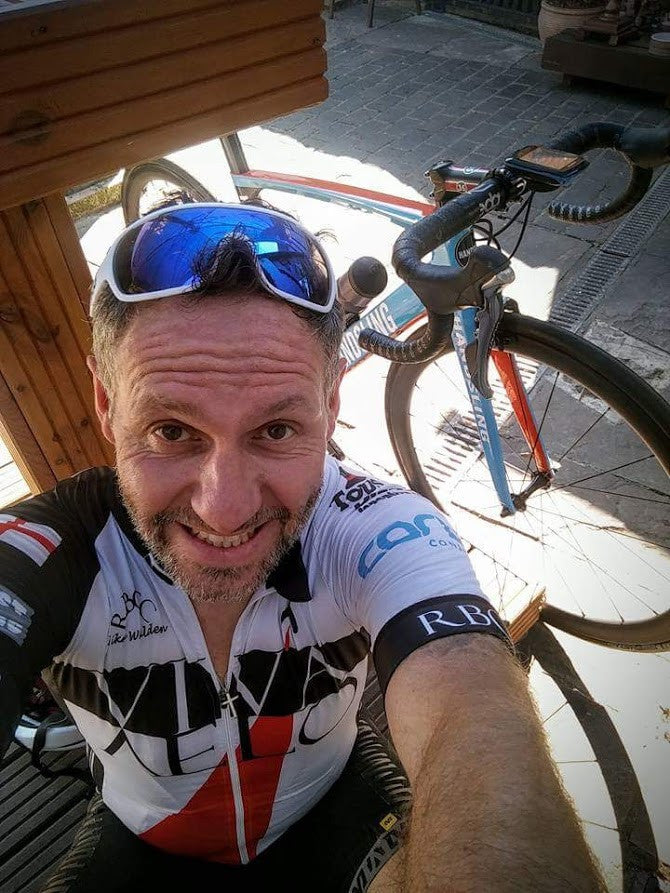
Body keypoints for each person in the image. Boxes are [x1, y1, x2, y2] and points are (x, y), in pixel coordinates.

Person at [0, 203, 604, 892]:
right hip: (143, 838)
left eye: (277, 430)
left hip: (332, 808)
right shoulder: (55, 549)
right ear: (107, 405)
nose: (225, 508)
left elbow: (472, 702)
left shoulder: (375, 528)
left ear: (331, 404)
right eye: (171, 430)